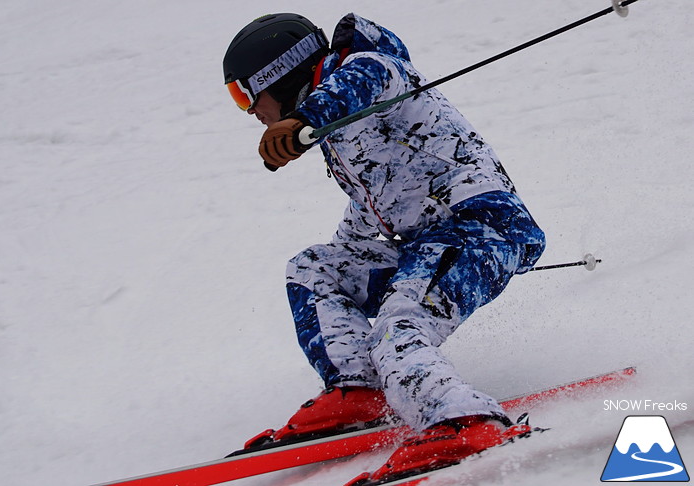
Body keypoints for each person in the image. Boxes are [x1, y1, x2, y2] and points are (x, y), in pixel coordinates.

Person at [223, 12, 546, 480]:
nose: (250, 109)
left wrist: (301, 120)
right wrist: (342, 261)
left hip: (481, 227)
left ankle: (464, 419)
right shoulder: (341, 131)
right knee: (313, 268)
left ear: (278, 73)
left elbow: (370, 74)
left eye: (244, 94)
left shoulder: (371, 70)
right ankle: (359, 390)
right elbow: (373, 206)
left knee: (399, 322)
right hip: (425, 245)